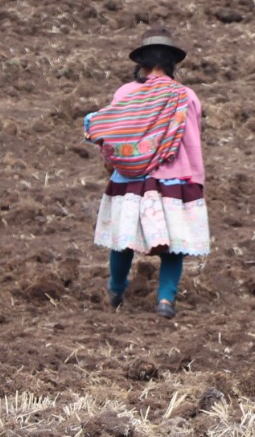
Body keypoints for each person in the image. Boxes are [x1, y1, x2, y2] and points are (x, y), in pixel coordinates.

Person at [89, 28, 209, 319]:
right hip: (174, 179)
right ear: (172, 64)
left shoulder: (126, 93)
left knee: (123, 240)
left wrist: (112, 163)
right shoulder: (185, 96)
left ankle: (116, 290)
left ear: (140, 63)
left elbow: (113, 137)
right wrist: (195, 180)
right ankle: (165, 300)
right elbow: (191, 140)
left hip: (131, 180)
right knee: (174, 245)